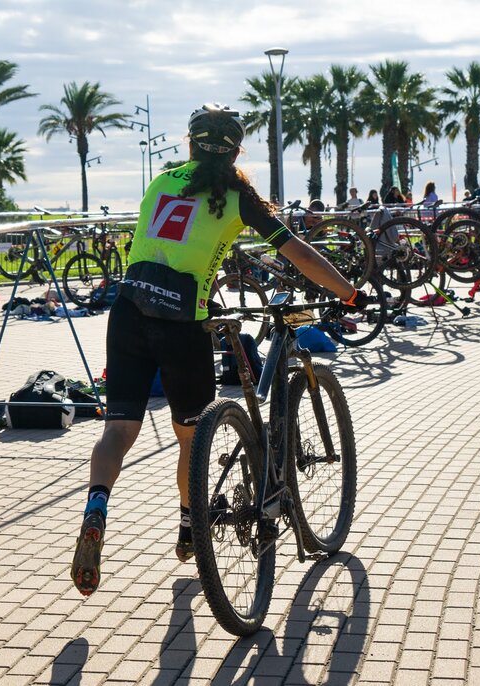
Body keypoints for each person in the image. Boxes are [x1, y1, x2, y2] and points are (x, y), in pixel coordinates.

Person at [71, 103, 364, 597]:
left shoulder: (161, 182)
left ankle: (96, 509)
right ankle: (190, 525)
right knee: (191, 438)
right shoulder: (237, 196)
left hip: (128, 310)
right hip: (182, 322)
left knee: (118, 430)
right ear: (234, 152)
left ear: (189, 144)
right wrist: (348, 291)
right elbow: (295, 250)